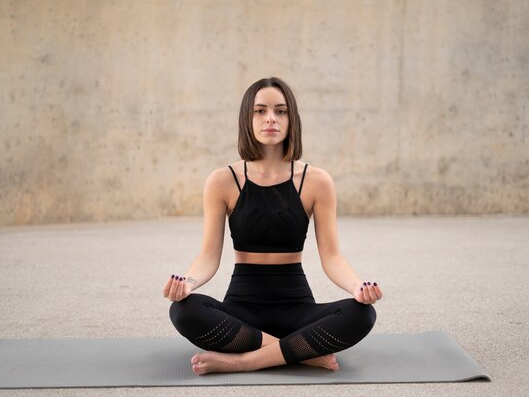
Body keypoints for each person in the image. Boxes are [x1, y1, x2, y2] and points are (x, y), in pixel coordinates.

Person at [163, 77, 382, 375]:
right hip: (241, 308)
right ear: (246, 118)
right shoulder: (222, 181)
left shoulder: (316, 181)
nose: (270, 119)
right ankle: (299, 352)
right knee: (183, 310)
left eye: (280, 111)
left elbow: (331, 257)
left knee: (362, 315)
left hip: (297, 307)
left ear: (292, 119)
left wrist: (357, 286)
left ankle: (243, 361)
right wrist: (186, 283)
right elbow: (208, 256)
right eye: (260, 111)